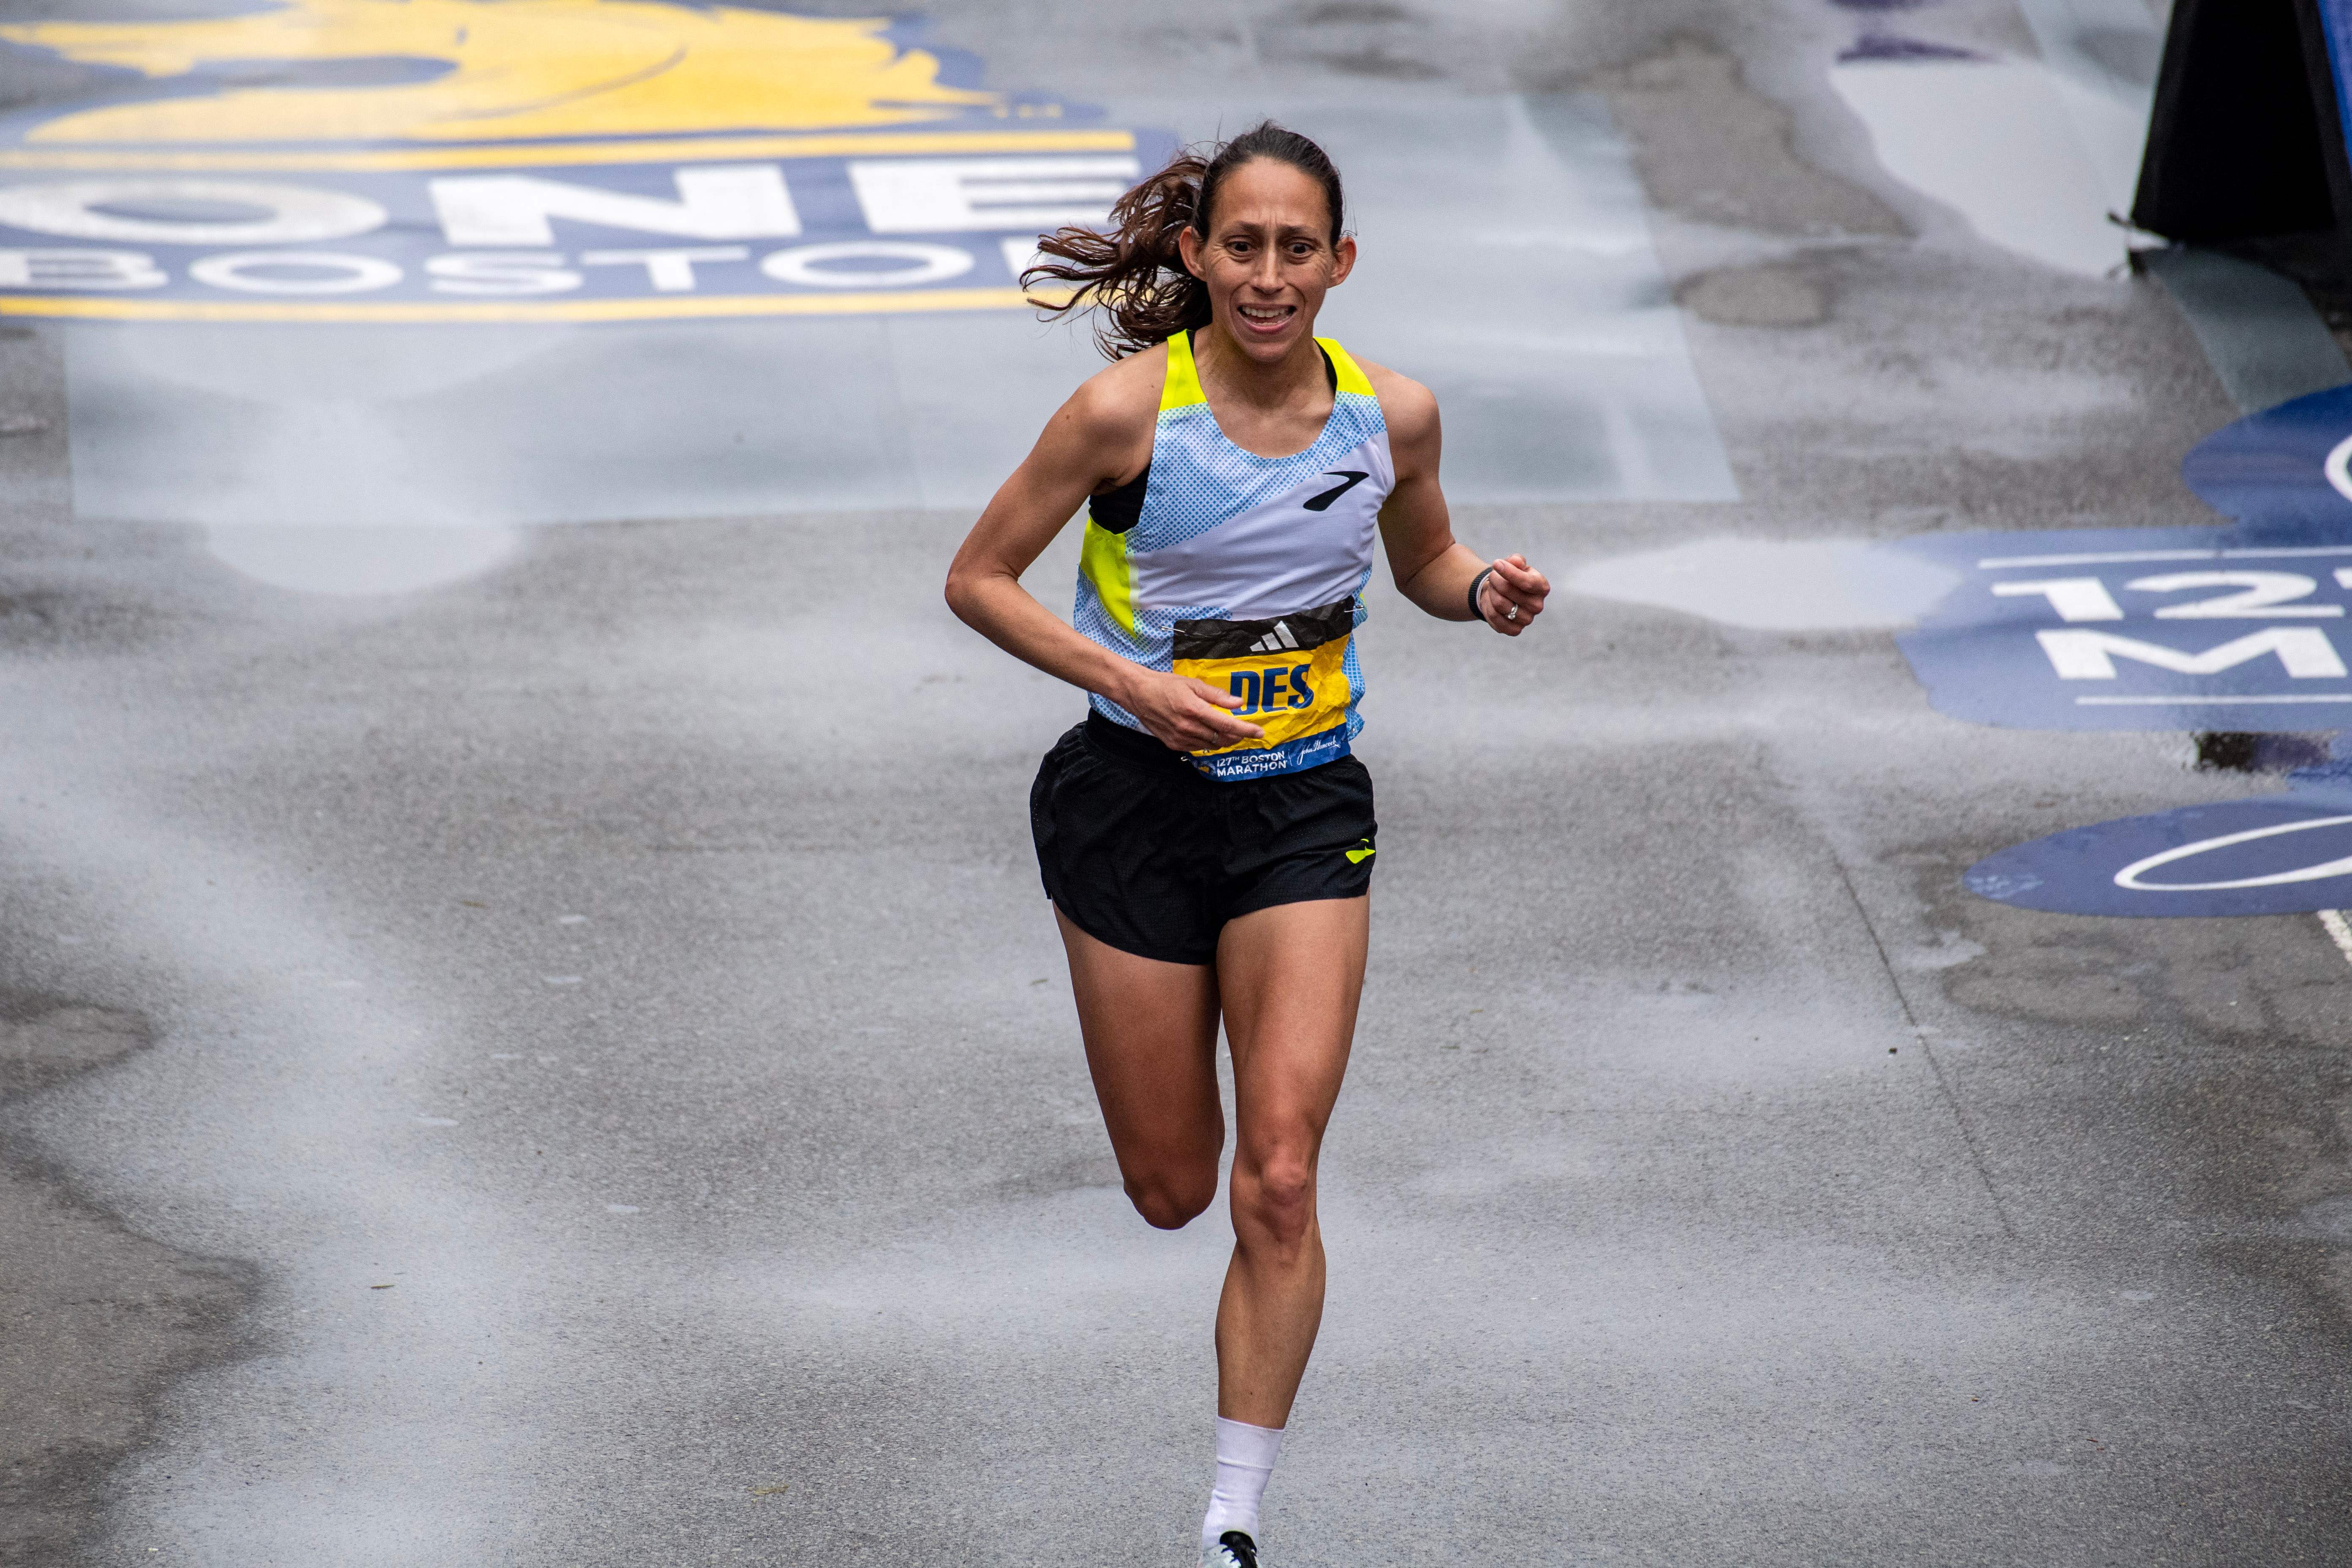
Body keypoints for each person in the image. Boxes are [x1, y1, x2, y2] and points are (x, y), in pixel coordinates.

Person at [943, 122, 1551, 1568]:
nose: (1269, 274)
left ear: (1339, 262)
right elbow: (978, 580)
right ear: (1197, 257)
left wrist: (1488, 592)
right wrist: (1133, 680)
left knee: (1278, 1175)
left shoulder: (1390, 417)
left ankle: (1230, 1516)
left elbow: (1421, 561)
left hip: (1303, 809)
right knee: (1175, 1188)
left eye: (1298, 248)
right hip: (1132, 803)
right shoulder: (1121, 418)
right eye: (1243, 245)